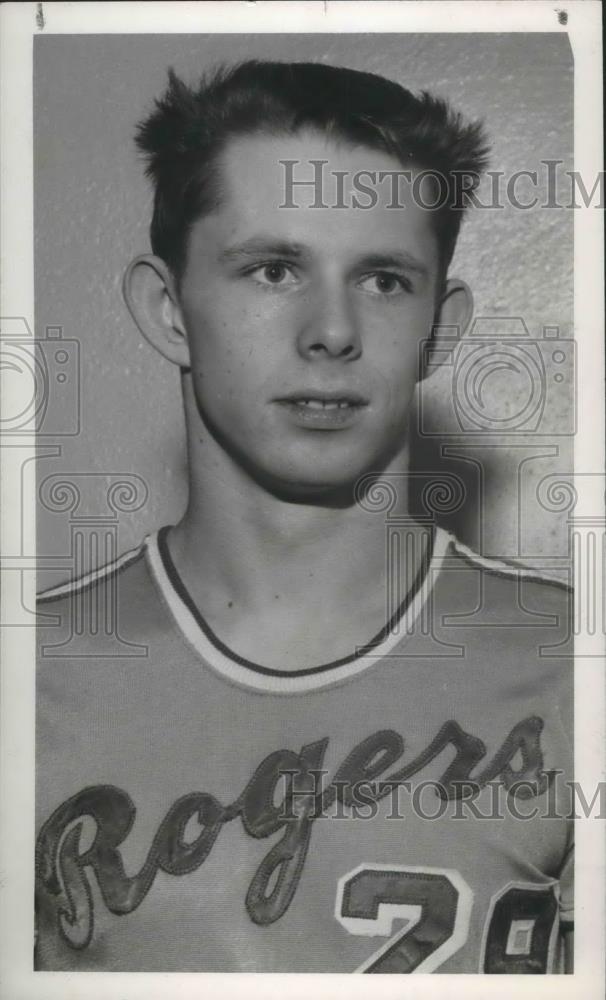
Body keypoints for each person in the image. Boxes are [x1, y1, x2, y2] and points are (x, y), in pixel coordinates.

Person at [35, 61, 573, 973]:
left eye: (385, 281)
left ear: (439, 333)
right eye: (274, 267)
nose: (332, 330)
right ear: (168, 310)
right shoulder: (30, 680)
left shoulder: (577, 670)